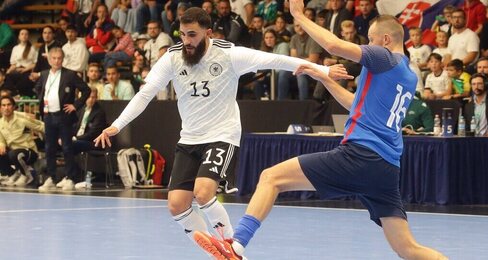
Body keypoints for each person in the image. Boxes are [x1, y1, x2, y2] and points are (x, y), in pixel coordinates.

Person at [194, 1, 448, 259]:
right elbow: (356, 105)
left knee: (271, 178)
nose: (367, 45)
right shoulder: (407, 75)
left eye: (370, 40)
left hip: (361, 155)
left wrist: (299, 16)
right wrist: (324, 78)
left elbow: (335, 46)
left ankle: (235, 247)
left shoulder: (384, 58)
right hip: (386, 168)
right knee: (407, 248)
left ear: (384, 39)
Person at [93, 7, 350, 256]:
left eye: (192, 34)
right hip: (190, 138)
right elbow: (145, 94)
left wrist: (324, 70)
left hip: (222, 134)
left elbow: (275, 60)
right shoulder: (173, 57)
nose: (186, 41)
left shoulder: (229, 55)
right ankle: (219, 255)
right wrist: (117, 124)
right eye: (182, 35)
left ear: (209, 32)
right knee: (176, 205)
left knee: (204, 192)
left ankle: (231, 249)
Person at [35, 47, 91, 191]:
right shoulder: (44, 74)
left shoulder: (69, 75)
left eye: (59, 58)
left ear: (63, 59)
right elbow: (38, 88)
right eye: (54, 58)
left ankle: (70, 177)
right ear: (49, 59)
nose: (57, 61)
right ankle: (51, 177)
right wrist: (42, 102)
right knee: (49, 148)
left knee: (67, 147)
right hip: (48, 115)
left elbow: (86, 90)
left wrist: (75, 105)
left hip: (63, 116)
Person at [56, 87, 107, 190]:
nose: (90, 100)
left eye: (93, 97)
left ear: (96, 98)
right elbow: (73, 126)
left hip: (92, 142)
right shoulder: (80, 110)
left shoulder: (99, 113)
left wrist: (74, 138)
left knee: (69, 145)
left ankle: (71, 177)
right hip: (78, 141)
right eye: (88, 97)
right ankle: (70, 176)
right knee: (64, 145)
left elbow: (92, 133)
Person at [0, 96, 45, 187]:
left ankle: (27, 176)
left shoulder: (22, 118)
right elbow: (1, 140)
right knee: (8, 153)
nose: (6, 108)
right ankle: (12, 174)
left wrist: (57, 137)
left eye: (9, 105)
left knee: (14, 154)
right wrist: (1, 145)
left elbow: (42, 126)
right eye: (3, 105)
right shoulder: (0, 123)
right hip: (13, 152)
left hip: (29, 151)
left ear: (13, 107)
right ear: (0, 108)